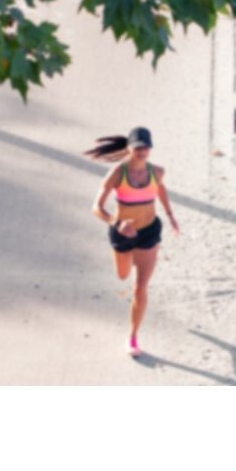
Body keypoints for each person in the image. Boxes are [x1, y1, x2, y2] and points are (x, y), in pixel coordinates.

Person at [86, 127, 180, 357]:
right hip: (121, 233)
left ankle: (133, 337)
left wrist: (170, 216)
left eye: (146, 147)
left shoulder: (157, 172)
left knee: (140, 287)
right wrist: (116, 223)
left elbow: (160, 189)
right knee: (122, 275)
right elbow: (96, 207)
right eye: (137, 147)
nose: (142, 151)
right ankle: (131, 258)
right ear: (129, 148)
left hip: (149, 232)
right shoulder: (118, 173)